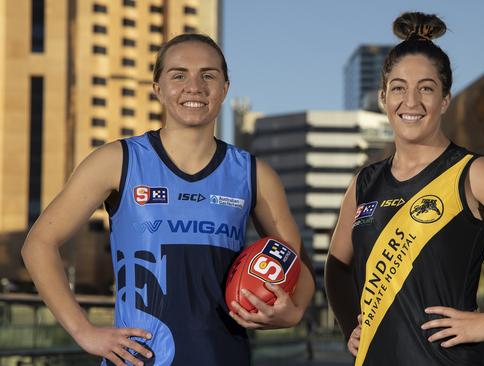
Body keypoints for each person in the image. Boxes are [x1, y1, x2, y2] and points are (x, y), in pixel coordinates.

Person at [21, 34, 314, 366]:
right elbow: (39, 244)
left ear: (225, 88)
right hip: (139, 360)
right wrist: (83, 331)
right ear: (158, 87)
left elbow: (297, 264)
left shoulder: (253, 174)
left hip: (223, 356)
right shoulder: (117, 161)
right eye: (178, 75)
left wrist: (293, 313)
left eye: (208, 75)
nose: (194, 86)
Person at [325, 12, 484, 366]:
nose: (410, 102)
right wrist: (349, 322)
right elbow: (337, 267)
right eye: (399, 87)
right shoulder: (364, 183)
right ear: (384, 96)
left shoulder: (473, 173)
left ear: (445, 99)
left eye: (426, 88)